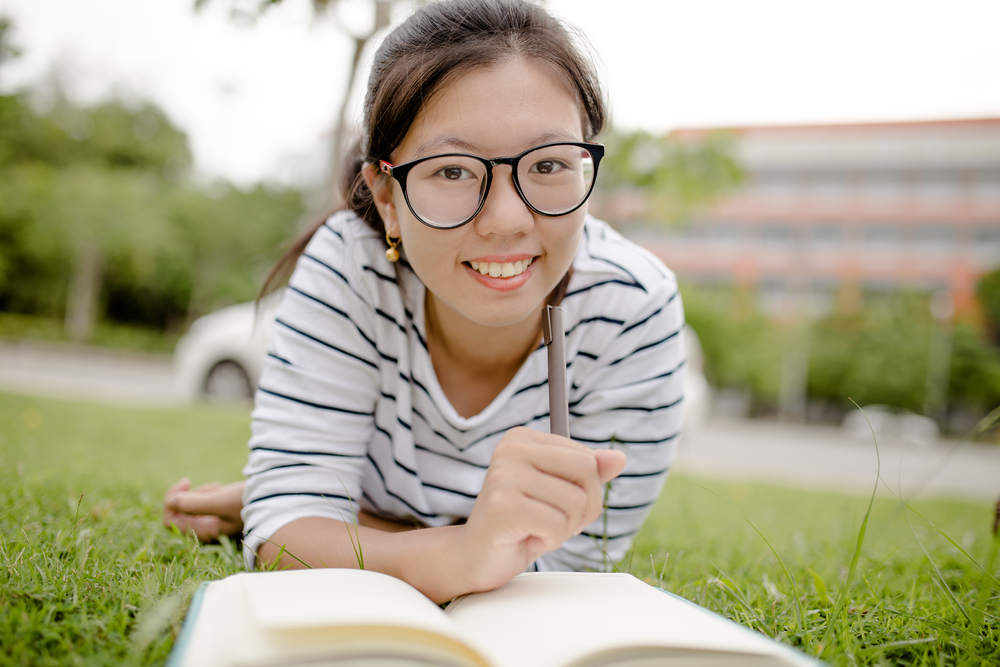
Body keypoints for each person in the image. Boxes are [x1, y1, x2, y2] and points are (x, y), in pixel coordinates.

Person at [164, 0, 685, 605]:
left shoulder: (634, 309)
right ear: (386, 195)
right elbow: (285, 530)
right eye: (453, 171)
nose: (508, 220)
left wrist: (346, 526)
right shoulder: (351, 267)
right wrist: (456, 551)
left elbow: (570, 566)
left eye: (547, 164)